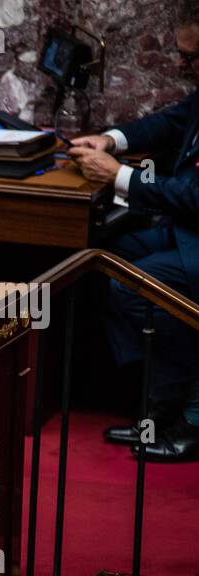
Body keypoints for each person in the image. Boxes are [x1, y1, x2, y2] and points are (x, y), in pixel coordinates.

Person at [69, 0, 199, 462]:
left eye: (190, 58)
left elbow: (194, 196)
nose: (182, 67)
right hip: (186, 235)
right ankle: (158, 405)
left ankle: (190, 414)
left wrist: (119, 176)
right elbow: (171, 121)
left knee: (138, 290)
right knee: (107, 258)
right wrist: (112, 140)